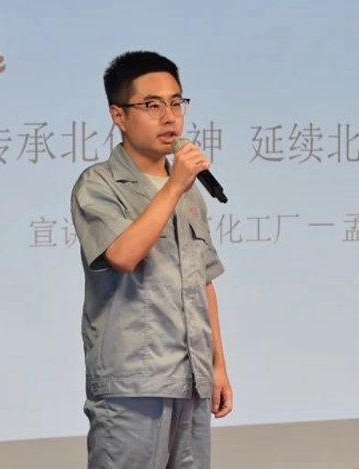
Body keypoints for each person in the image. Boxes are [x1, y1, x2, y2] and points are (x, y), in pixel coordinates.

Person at [70, 50, 232, 468]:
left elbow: (204, 282)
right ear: (118, 115)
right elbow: (123, 255)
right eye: (152, 105)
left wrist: (218, 366)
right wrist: (174, 187)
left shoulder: (191, 192)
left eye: (176, 103)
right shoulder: (99, 184)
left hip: (191, 379)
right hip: (133, 385)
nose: (169, 117)